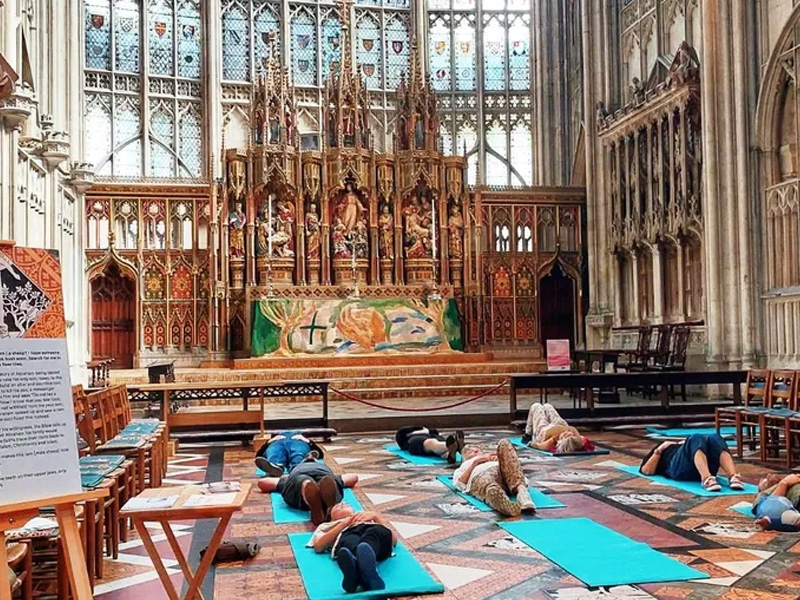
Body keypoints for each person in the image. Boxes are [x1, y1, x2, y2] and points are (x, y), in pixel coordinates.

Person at [308, 505, 397, 593]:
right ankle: (367, 574)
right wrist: (344, 524)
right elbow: (318, 546)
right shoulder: (327, 526)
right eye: (337, 506)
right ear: (331, 518)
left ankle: (358, 573)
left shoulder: (368, 518)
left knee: (375, 533)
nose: (342, 504)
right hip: (348, 533)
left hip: (376, 538)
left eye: (345, 504)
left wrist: (375, 517)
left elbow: (394, 540)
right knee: (349, 541)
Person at [258, 459, 359, 526]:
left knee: (302, 481)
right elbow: (353, 477)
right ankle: (328, 507)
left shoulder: (292, 473)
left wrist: (285, 480)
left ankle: (308, 492)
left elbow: (263, 483)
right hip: (324, 473)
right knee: (328, 480)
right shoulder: (322, 466)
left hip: (298, 476)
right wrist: (338, 478)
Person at [454, 440, 535, 517]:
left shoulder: (491, 456)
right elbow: (459, 484)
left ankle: (522, 493)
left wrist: (499, 458)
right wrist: (475, 463)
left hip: (503, 471)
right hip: (481, 475)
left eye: (477, 450)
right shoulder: (465, 465)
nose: (475, 451)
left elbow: (515, 463)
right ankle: (502, 502)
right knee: (490, 486)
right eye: (470, 452)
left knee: (504, 443)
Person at [639, 434, 744, 492]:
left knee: (714, 437)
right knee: (696, 437)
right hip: (678, 469)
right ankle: (706, 479)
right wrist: (659, 450)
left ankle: (733, 477)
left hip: (702, 465)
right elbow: (646, 470)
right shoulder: (660, 450)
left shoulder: (686, 446)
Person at [521, 403, 594, 453]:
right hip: (560, 425)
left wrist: (532, 444)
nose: (566, 432)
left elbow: (539, 446)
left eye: (566, 435)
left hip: (544, 431)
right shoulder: (577, 440)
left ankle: (527, 434)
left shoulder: (552, 442)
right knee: (547, 406)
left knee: (536, 406)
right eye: (569, 434)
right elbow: (583, 441)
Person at [254, 430, 324, 477]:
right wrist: (269, 442)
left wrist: (308, 441)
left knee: (298, 452)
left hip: (297, 441)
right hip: (278, 442)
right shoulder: (275, 439)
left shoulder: (301, 438)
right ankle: (275, 466)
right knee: (276, 452)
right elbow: (258, 456)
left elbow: (320, 453)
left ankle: (297, 465)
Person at [395, 426, 463, 463]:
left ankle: (449, 454)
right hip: (417, 440)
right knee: (431, 443)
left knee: (436, 447)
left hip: (432, 438)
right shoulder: (407, 433)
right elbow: (400, 435)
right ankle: (453, 447)